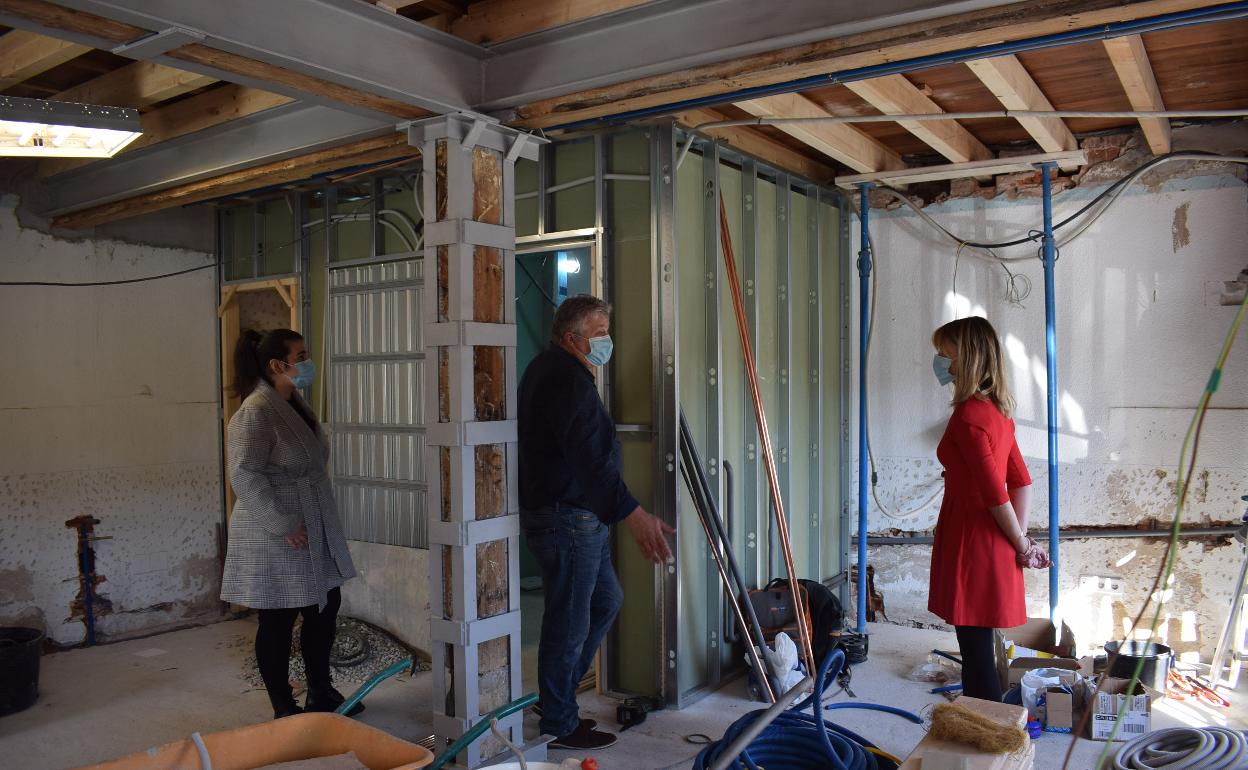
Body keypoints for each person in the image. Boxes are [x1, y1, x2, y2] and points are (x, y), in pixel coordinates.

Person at [518, 295, 675, 751]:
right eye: (599, 334)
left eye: (607, 331)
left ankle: (557, 697)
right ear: (572, 339)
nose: (607, 341)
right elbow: (590, 460)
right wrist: (633, 513)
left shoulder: (553, 370)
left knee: (606, 600)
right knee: (569, 620)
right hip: (568, 519)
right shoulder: (566, 381)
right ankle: (559, 724)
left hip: (574, 517)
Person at [220, 328, 359, 719]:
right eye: (301, 357)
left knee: (325, 604)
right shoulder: (256, 410)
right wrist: (282, 523)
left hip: (311, 519)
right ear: (276, 365)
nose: (307, 362)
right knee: (278, 616)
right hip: (278, 530)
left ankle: (321, 691)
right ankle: (283, 705)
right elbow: (244, 473)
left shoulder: (292, 402)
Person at [928, 316, 1049, 702]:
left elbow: (997, 493)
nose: (942, 362)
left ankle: (988, 726)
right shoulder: (999, 413)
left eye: (946, 354)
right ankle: (988, 722)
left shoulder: (968, 416)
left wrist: (1022, 543)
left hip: (972, 539)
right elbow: (1021, 481)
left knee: (976, 654)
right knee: (979, 646)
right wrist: (1019, 540)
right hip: (993, 538)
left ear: (967, 357)